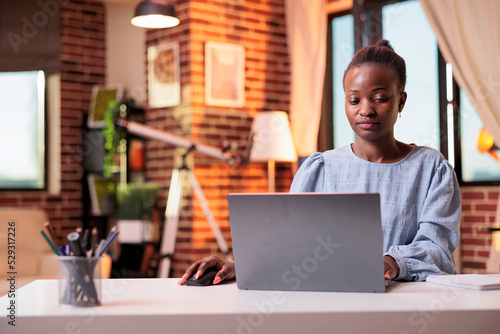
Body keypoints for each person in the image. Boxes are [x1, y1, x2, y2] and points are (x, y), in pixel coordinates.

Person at [178, 39, 461, 286]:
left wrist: (392, 262)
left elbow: (437, 248)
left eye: (379, 98)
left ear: (401, 101)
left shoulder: (431, 169)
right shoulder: (320, 168)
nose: (366, 110)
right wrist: (238, 266)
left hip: (405, 304)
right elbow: (290, 245)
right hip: (328, 300)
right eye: (354, 100)